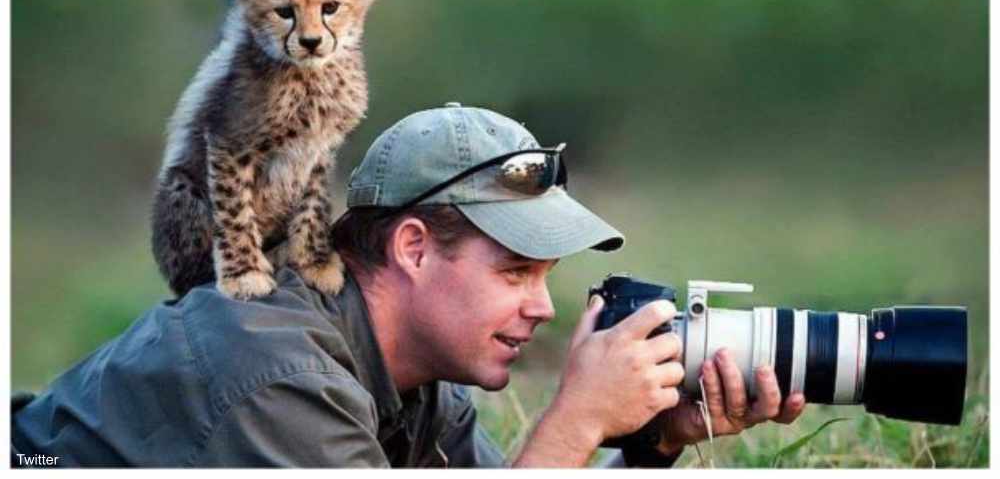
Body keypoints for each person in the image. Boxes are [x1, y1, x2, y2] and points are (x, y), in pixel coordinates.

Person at [11, 104, 805, 467]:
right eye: (516, 270)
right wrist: (570, 424)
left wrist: (648, 445)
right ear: (415, 248)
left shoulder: (415, 383)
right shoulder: (278, 372)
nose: (543, 305)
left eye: (547, 275)